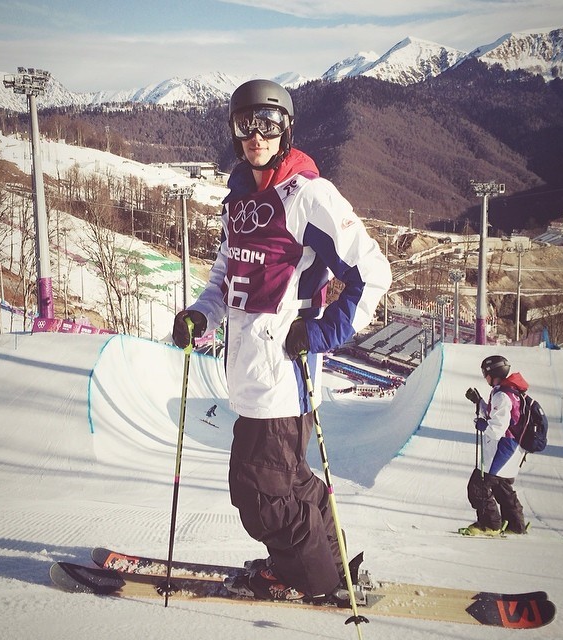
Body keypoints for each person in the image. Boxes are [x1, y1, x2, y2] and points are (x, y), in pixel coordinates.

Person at [172, 79, 392, 602]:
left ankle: (314, 580)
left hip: (282, 378)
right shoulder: (239, 201)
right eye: (246, 124)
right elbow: (224, 279)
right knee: (288, 483)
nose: (257, 135)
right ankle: (329, 561)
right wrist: (201, 316)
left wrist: (324, 330)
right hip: (249, 375)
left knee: (259, 496)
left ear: (286, 129)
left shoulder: (308, 195)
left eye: (268, 124)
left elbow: (372, 273)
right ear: (234, 130)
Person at [464, 355, 528, 535]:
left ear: (493, 373)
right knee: (501, 485)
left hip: (503, 447)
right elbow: (497, 416)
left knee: (478, 486)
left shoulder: (502, 395)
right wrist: (479, 402)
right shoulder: (509, 391)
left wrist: (483, 425)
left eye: (485, 374)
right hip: (513, 447)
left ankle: (490, 525)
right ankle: (515, 525)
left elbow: (497, 428)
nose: (484, 377)